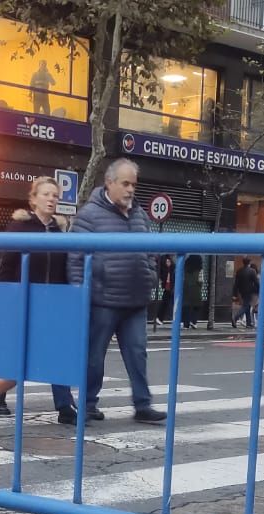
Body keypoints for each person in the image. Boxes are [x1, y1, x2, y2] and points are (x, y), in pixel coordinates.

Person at [67, 158, 165, 424]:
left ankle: (143, 405)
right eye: (125, 183)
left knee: (137, 353)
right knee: (94, 356)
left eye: (134, 184)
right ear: (109, 183)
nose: (131, 189)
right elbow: (76, 258)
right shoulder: (89, 215)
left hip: (135, 299)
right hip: (103, 299)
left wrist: (150, 274)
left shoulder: (139, 214)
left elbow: (150, 252)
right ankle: (88, 405)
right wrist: (80, 294)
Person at [0, 176, 79, 424]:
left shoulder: (61, 230)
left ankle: (64, 405)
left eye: (55, 195)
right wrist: (4, 297)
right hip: (24, 298)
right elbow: (6, 264)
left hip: (53, 300)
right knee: (18, 349)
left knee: (56, 351)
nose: (51, 199)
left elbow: (66, 267)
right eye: (46, 194)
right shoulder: (20, 227)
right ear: (33, 199)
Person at [231, 257, 260, 328]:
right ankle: (235, 317)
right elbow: (256, 282)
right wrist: (259, 290)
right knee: (245, 306)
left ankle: (248, 323)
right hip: (250, 291)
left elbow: (236, 283)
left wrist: (234, 293)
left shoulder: (239, 271)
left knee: (247, 305)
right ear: (249, 262)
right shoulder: (252, 271)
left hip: (242, 291)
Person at [180, 255, 203, 328]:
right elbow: (200, 281)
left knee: (186, 306)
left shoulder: (185, 269)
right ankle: (194, 321)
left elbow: (182, 279)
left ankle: (185, 323)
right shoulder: (199, 270)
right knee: (196, 307)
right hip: (196, 290)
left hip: (186, 289)